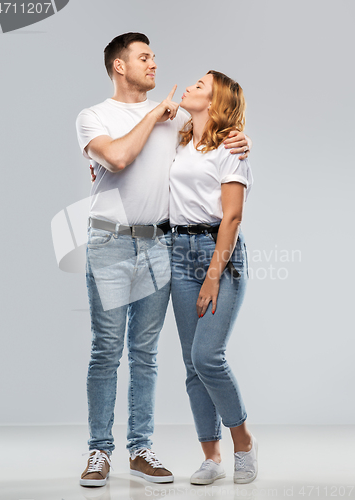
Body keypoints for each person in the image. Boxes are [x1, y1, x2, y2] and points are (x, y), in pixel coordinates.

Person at [76, 32, 251, 487]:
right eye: (144, 57)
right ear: (120, 66)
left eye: (154, 56)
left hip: (161, 246)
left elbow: (211, 142)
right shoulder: (95, 116)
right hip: (111, 244)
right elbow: (116, 158)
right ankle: (99, 451)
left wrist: (241, 140)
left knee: (146, 354)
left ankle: (140, 448)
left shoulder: (180, 123)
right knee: (106, 350)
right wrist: (155, 114)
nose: (154, 64)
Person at [170, 70, 257, 485]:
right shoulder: (180, 139)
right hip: (177, 252)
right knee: (191, 364)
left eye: (200, 85)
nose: (190, 86)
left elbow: (233, 216)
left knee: (208, 356)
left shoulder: (231, 148)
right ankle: (212, 457)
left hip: (216, 253)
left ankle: (243, 443)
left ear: (216, 101)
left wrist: (212, 275)